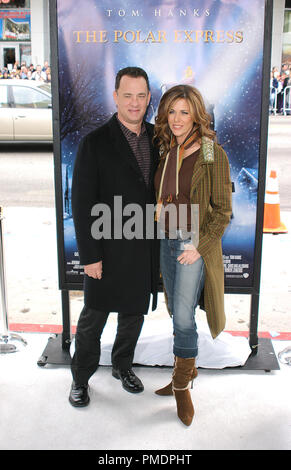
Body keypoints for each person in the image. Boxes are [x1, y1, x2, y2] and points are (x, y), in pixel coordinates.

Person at [69, 67, 159, 407]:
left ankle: (123, 366)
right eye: (127, 95)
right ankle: (80, 379)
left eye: (140, 95)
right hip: (104, 251)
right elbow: (81, 204)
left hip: (143, 249)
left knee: (133, 314)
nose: (134, 103)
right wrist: (90, 256)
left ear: (149, 98)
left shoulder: (158, 138)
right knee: (93, 318)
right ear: (115, 97)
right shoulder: (94, 143)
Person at [153, 85, 232, 426]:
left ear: (198, 114)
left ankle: (182, 385)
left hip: (191, 242)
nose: (177, 119)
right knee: (175, 309)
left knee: (184, 316)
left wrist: (198, 246)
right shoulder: (168, 148)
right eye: (172, 111)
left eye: (184, 112)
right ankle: (185, 367)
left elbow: (222, 211)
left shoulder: (212, 152)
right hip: (165, 237)